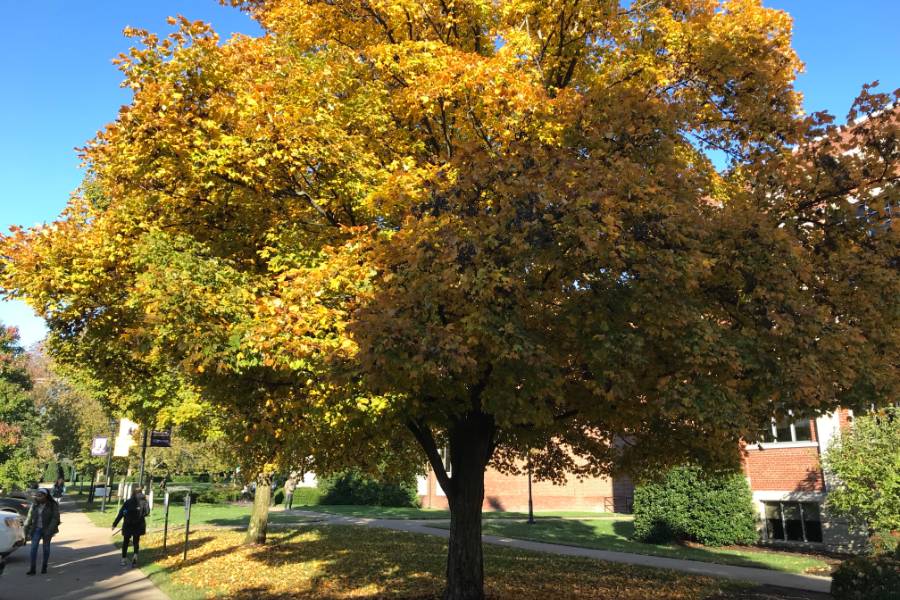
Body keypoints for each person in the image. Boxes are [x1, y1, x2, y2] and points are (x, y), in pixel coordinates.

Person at [23, 489, 61, 575]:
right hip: (36, 529)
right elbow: (29, 519)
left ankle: (44, 567)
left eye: (40, 495)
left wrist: (49, 530)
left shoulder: (52, 505)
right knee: (33, 548)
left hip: (47, 529)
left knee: (46, 548)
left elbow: (55, 518)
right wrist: (25, 533)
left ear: (46, 496)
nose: (38, 497)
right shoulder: (34, 505)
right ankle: (32, 569)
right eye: (37, 495)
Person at [112, 485, 149, 567]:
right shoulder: (144, 501)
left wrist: (115, 524)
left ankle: (123, 559)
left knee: (125, 541)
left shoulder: (128, 502)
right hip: (139, 524)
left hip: (128, 524)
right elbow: (147, 512)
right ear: (141, 492)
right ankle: (135, 556)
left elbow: (121, 513)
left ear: (132, 492)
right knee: (136, 541)